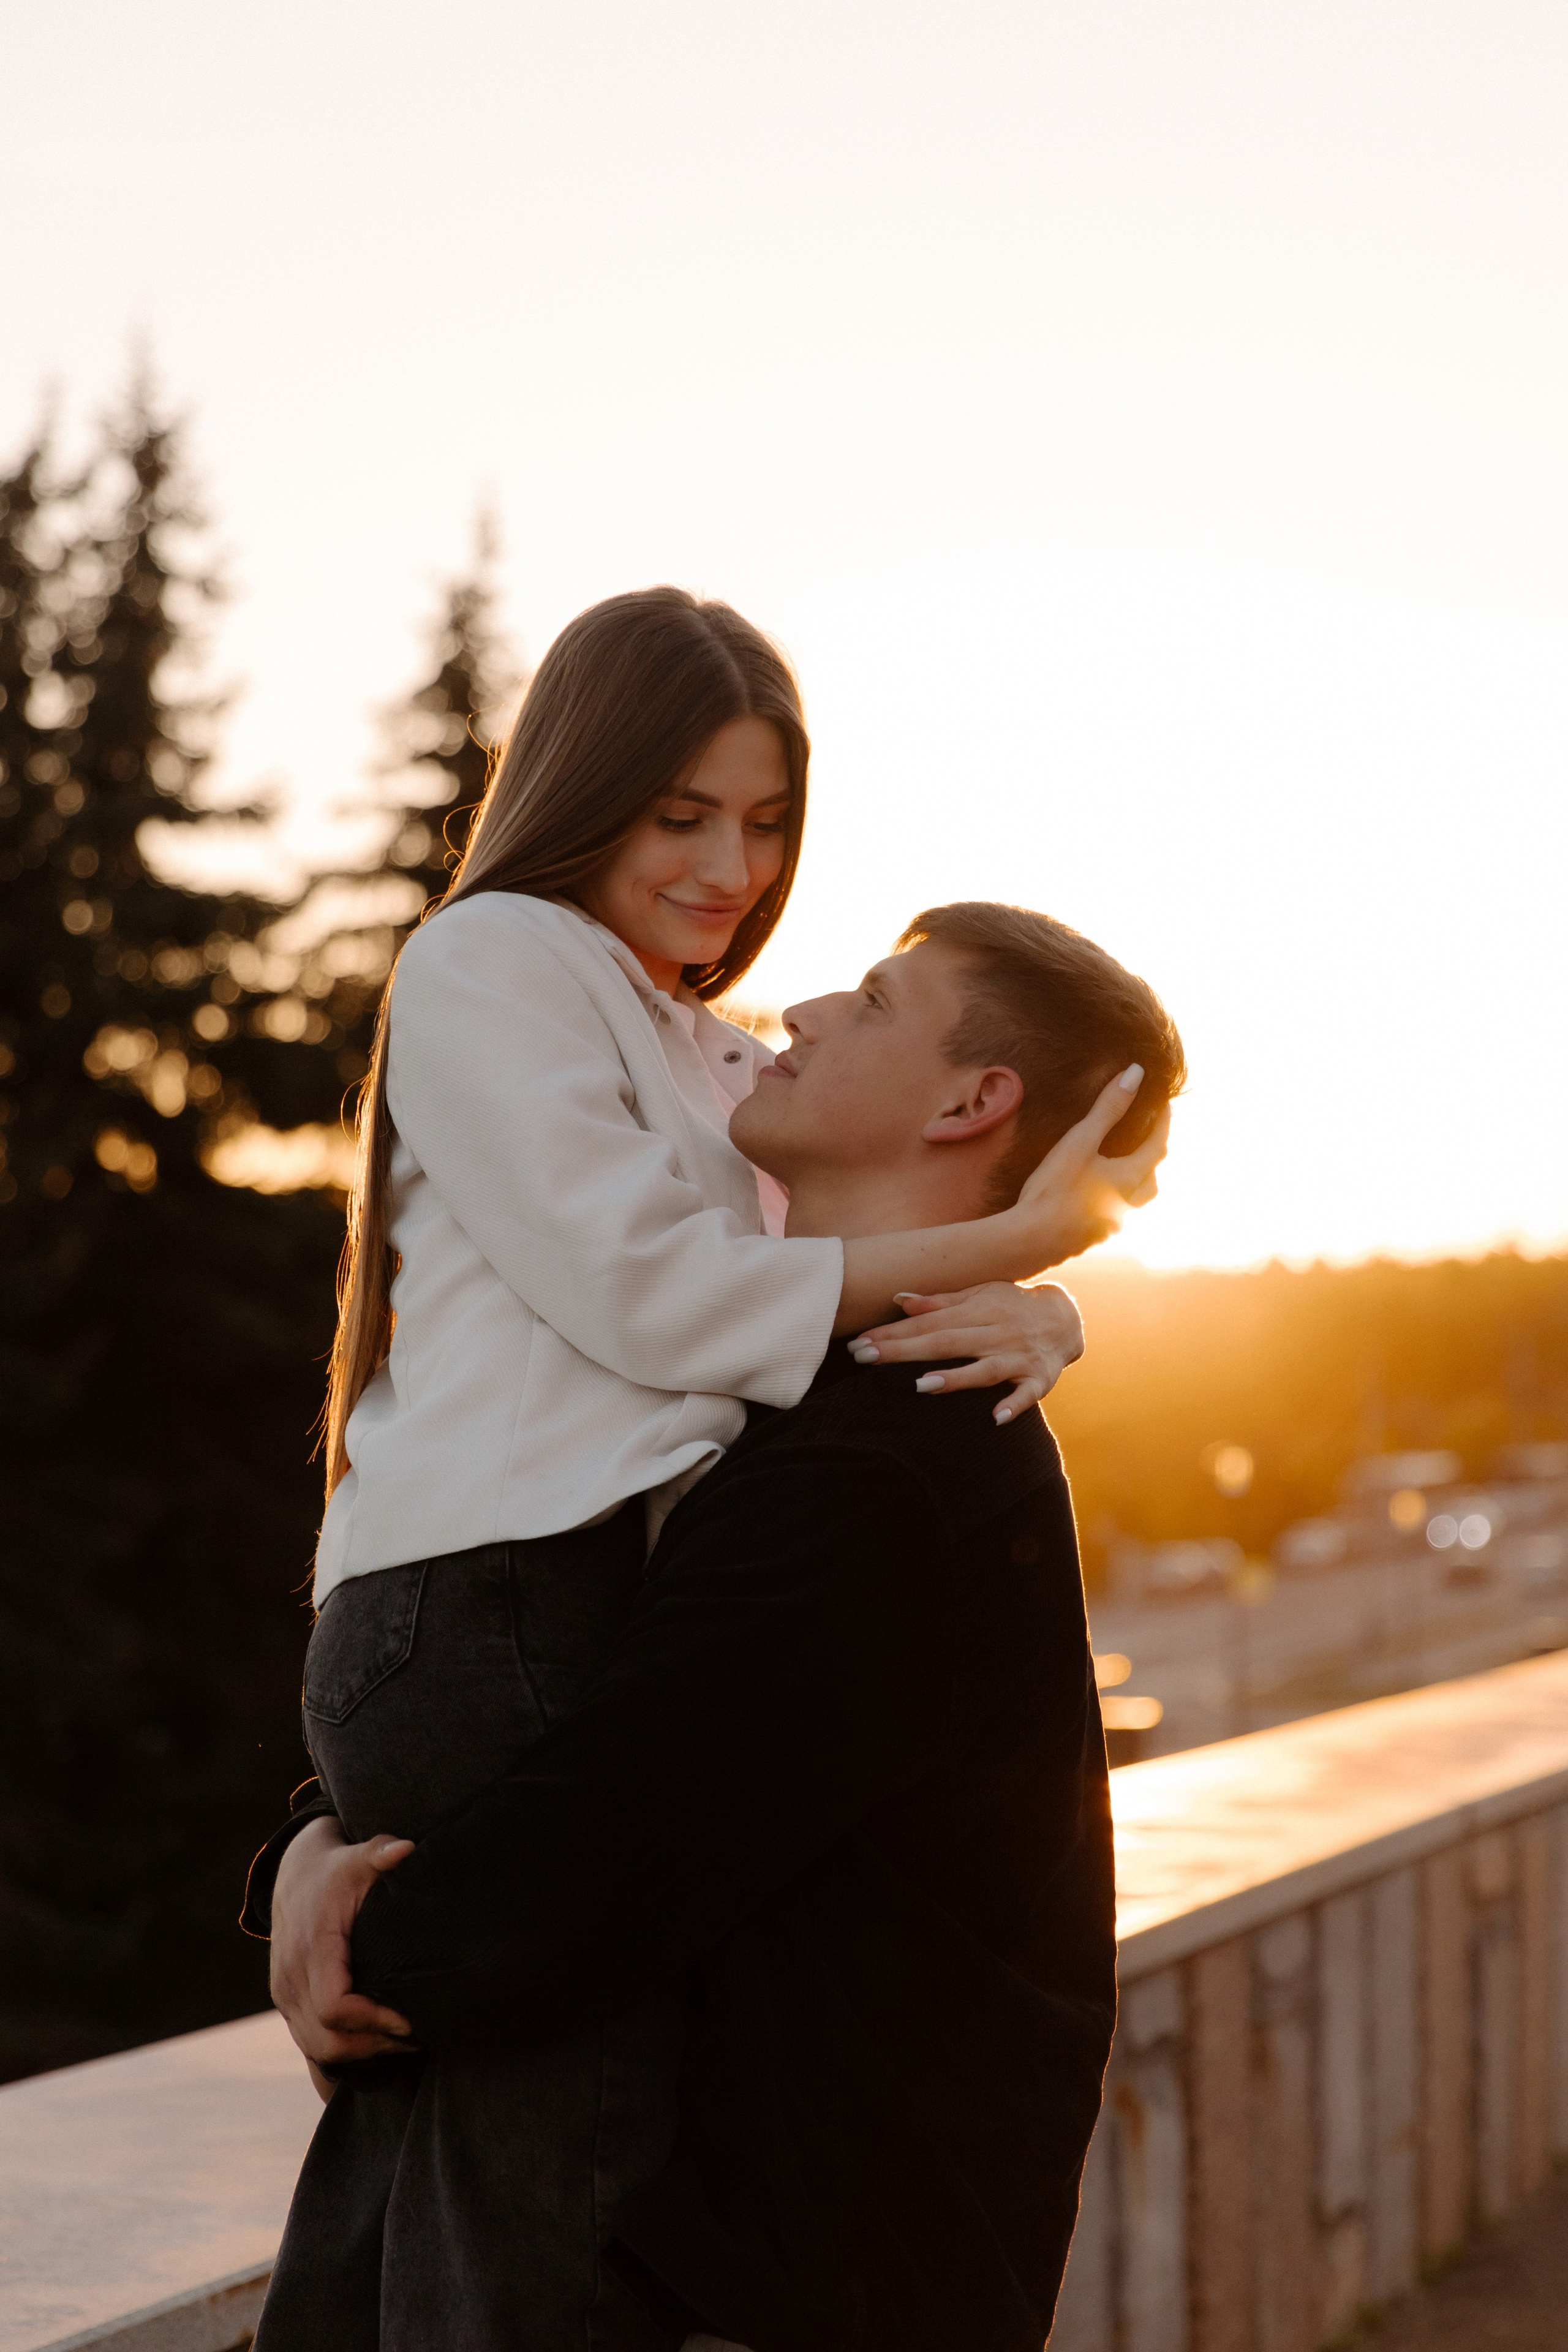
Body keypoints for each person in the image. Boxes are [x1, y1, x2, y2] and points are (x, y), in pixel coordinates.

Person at [244, 586, 1164, 2347]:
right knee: (540, 2168)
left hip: (542, 1596)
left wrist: (1040, 1306)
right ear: (584, 785)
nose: (733, 872)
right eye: (682, 816)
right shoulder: (499, 958)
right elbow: (670, 1297)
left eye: (765, 824)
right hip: (497, 1589)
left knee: (448, 2156)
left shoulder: (700, 1052)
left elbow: (818, 1275)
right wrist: (1011, 1258)